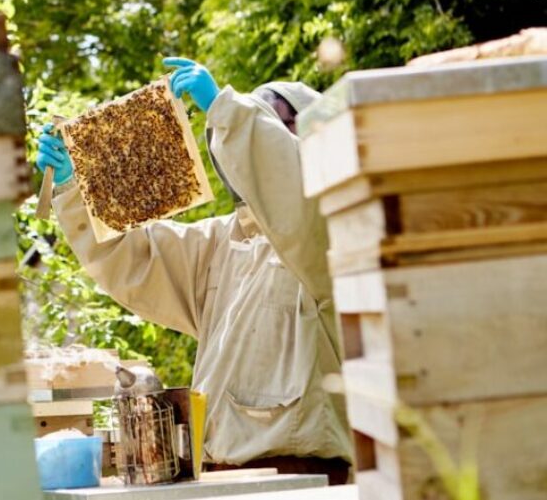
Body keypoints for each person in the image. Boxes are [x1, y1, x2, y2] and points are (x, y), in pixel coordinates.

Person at [35, 57, 353, 485]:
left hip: (306, 477)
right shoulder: (223, 243)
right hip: (219, 476)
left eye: (272, 124)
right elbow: (135, 259)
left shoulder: (333, 238)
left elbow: (294, 201)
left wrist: (228, 110)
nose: (251, 135)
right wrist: (76, 189)